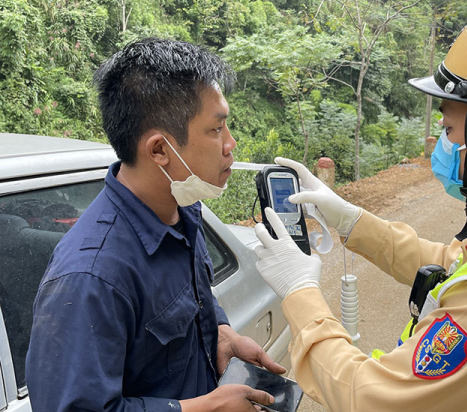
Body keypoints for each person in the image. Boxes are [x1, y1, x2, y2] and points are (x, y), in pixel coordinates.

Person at [253, 4, 467, 411]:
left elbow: (366, 398)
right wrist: (350, 219)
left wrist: (300, 292)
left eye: (449, 128)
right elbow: (456, 266)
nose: (442, 141)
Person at [26, 38, 284, 412]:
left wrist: (221, 334)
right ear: (160, 150)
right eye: (216, 130)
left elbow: (190, 301)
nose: (231, 144)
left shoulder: (181, 210)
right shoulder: (91, 278)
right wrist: (206, 408)